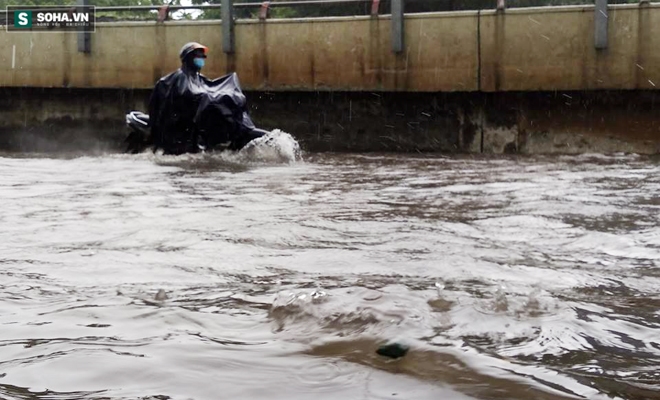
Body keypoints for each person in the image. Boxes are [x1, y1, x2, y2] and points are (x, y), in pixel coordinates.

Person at [148, 42, 210, 155]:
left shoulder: (198, 78)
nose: (201, 59)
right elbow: (187, 95)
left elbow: (211, 91)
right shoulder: (180, 78)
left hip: (192, 127)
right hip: (177, 130)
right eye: (198, 56)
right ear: (189, 58)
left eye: (202, 57)